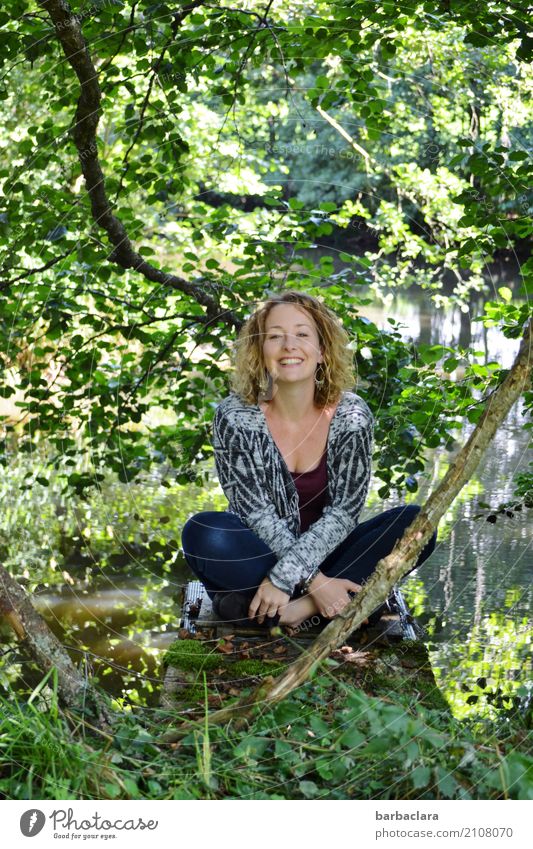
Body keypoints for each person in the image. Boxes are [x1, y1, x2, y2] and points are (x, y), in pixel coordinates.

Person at [181, 290, 436, 629]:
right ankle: (340, 602)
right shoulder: (235, 416)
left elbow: (345, 513)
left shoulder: (351, 415)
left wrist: (294, 582)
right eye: (275, 336)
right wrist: (316, 583)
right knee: (204, 533)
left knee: (417, 525)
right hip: (263, 553)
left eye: (302, 334)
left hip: (332, 555)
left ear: (322, 350)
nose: (289, 345)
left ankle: (289, 611)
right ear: (260, 350)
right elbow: (254, 512)